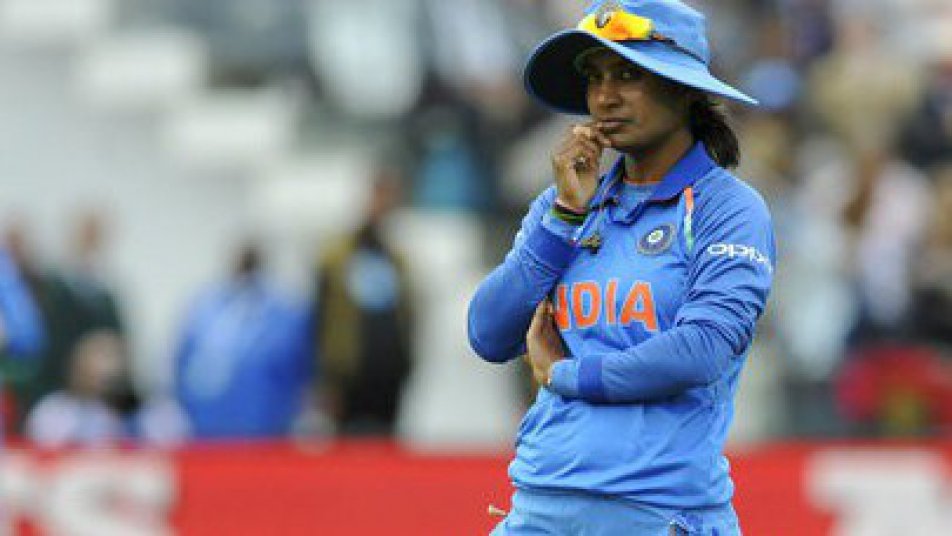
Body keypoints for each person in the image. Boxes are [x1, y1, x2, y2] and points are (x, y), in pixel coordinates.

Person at [468, 1, 774, 534]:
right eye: (595, 76)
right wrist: (564, 219)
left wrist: (564, 374)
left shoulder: (728, 209)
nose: (605, 96)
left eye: (629, 75)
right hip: (537, 506)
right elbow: (488, 333)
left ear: (683, 89)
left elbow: (701, 349)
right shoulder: (565, 204)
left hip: (655, 512)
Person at [174, 242, 312, 440]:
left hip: (267, 425)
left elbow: (301, 370)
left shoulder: (286, 313)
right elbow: (183, 365)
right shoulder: (205, 310)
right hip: (208, 425)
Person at [315, 168, 414, 436]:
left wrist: (406, 363)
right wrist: (325, 379)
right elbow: (320, 318)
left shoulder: (397, 259)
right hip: (349, 374)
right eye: (378, 196)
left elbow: (407, 317)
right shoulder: (335, 257)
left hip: (388, 376)